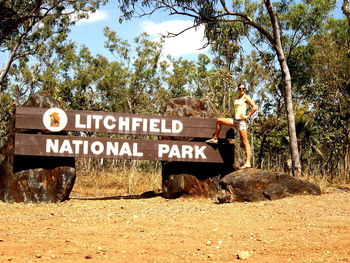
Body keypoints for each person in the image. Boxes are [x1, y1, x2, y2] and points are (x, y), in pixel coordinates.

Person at [205, 82, 258, 169]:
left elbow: (255, 107)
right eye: (240, 88)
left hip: (242, 122)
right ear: (238, 89)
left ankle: (248, 162)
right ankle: (215, 138)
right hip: (235, 121)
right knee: (219, 121)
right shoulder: (237, 98)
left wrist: (247, 116)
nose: (242, 90)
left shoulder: (246, 97)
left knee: (245, 142)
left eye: (243, 88)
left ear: (245, 89)